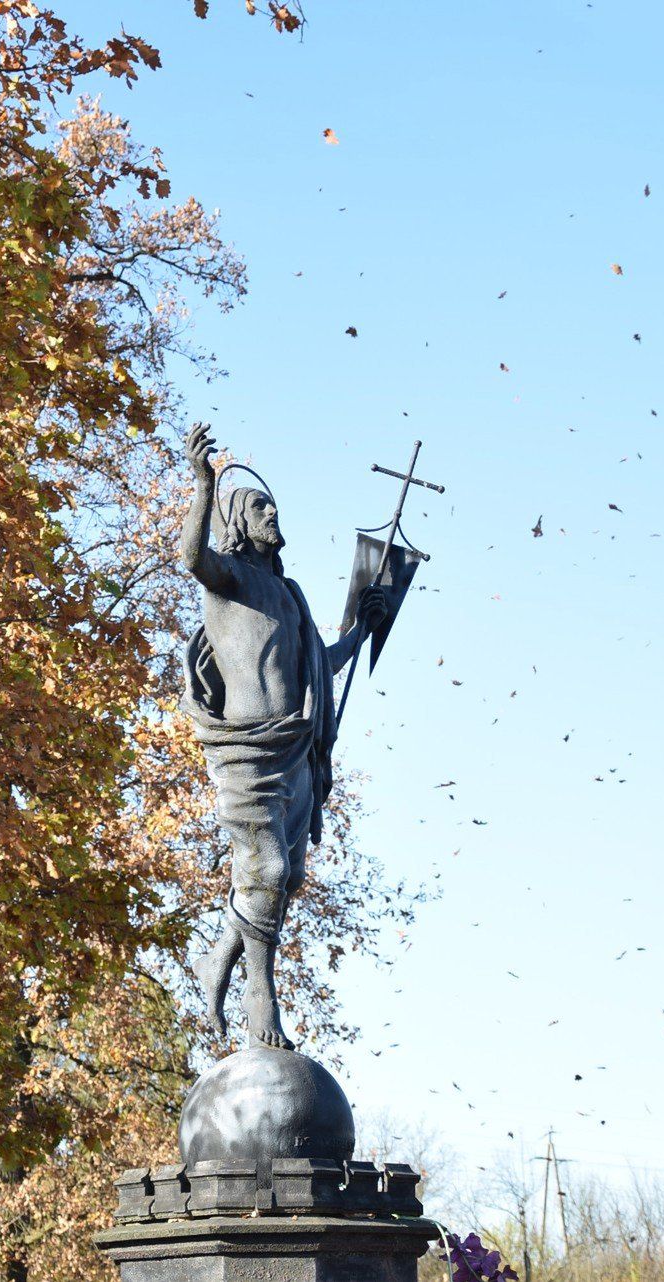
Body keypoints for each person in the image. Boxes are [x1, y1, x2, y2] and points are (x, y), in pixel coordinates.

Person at [178, 422, 390, 1050]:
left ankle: (221, 955)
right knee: (265, 867)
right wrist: (202, 485)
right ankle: (258, 997)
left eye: (273, 504)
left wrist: (362, 629)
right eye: (261, 505)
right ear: (239, 520)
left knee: (286, 873)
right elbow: (191, 559)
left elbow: (316, 663)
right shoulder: (232, 580)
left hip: (294, 747)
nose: (273, 512)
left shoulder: (290, 592)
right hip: (247, 750)